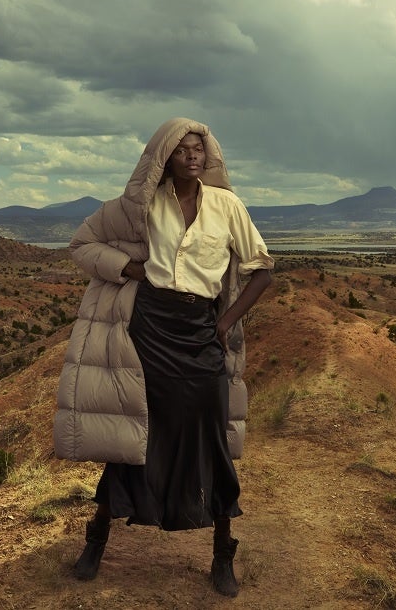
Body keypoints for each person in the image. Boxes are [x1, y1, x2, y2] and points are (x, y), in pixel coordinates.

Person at [54, 117, 273, 597]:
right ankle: (96, 540)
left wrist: (225, 321)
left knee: (211, 438)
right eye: (182, 150)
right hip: (149, 330)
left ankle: (222, 555)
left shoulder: (228, 206)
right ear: (164, 158)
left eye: (200, 148)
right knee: (138, 431)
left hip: (201, 332)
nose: (193, 156)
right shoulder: (141, 207)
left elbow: (262, 271)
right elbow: (82, 243)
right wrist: (130, 268)